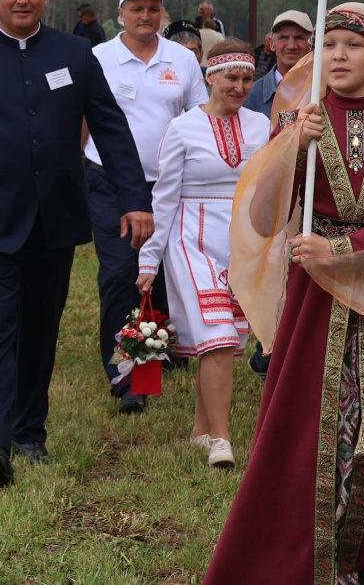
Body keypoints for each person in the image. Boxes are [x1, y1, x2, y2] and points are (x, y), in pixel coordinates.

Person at [205, 2, 364, 585]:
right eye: (331, 45)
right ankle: (309, 560)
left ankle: (358, 551)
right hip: (313, 297)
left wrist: (341, 250)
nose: (339, 56)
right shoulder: (300, 119)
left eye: (352, 44)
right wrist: (292, 148)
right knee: (306, 434)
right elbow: (264, 213)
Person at [0, 0, 150, 487]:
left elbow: (111, 129)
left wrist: (134, 199)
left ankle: (30, 432)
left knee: (40, 331)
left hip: (54, 220)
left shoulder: (77, 54)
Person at [135, 39, 268, 470]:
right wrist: (148, 261)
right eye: (231, 77)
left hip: (242, 244)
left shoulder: (261, 126)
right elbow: (164, 198)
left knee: (228, 341)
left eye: (247, 78)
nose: (240, 86)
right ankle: (221, 440)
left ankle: (199, 428)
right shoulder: (182, 127)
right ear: (209, 76)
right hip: (191, 241)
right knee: (218, 335)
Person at [86, 0, 207, 414]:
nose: (144, 15)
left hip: (168, 182)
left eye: (152, 8)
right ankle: (126, 377)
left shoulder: (182, 58)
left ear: (162, 13)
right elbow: (81, 121)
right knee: (121, 271)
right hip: (111, 182)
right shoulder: (98, 57)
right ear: (120, 13)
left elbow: (198, 117)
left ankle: (158, 353)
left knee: (160, 271)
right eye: (136, 8)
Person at [244, 10, 314, 115]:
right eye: (284, 38)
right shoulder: (250, 95)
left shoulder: (325, 91)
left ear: (312, 44)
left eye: (299, 38)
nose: (291, 46)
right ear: (272, 44)